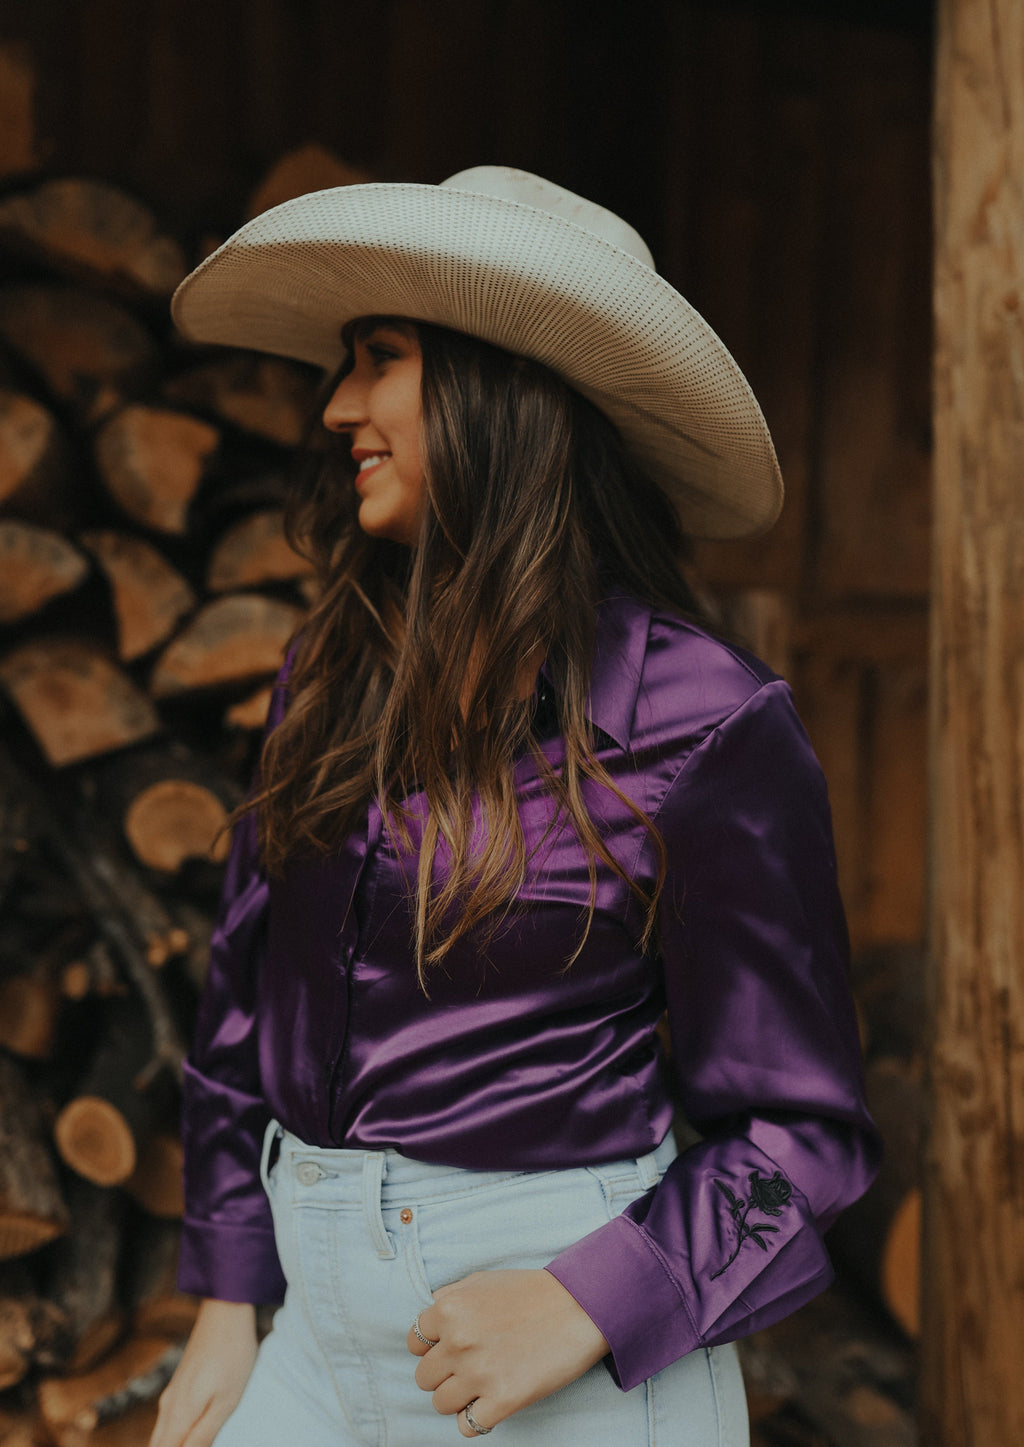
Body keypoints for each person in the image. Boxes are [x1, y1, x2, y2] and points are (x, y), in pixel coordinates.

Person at [151, 167, 880, 1447]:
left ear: (504, 391)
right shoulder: (327, 668)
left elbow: (802, 1131)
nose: (337, 406)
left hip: (557, 1352)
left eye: (380, 359)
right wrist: (227, 1295)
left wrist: (589, 1301)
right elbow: (242, 994)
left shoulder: (705, 722)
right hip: (311, 1339)